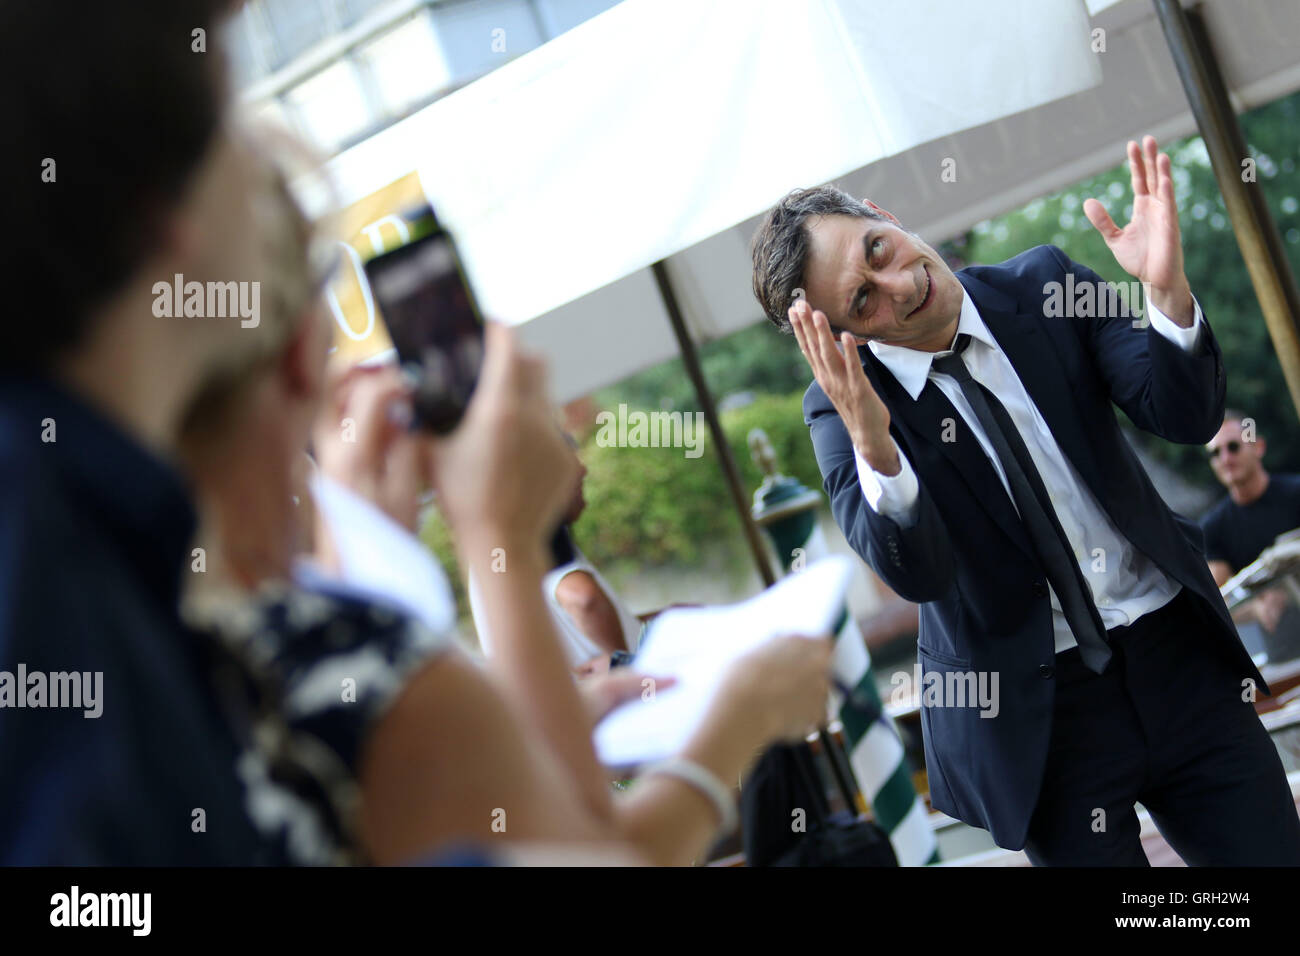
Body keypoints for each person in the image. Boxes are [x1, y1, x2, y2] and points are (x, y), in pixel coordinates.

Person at [179, 151, 836, 866]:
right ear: (306, 352)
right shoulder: (331, 648)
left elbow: (511, 824)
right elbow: (594, 856)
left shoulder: (181, 642)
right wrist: (740, 720)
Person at [748, 135, 1300, 865]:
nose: (900, 287)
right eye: (862, 301)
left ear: (882, 213)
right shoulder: (840, 410)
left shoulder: (1044, 283)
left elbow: (1182, 414)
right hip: (1039, 721)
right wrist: (878, 446)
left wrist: (1166, 296)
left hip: (1180, 661)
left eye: (878, 251)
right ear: (841, 337)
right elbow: (920, 575)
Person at [0, 0, 288, 864]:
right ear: (162, 210)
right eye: (233, 123)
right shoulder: (34, 532)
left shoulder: (83, 508)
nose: (259, 164)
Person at [469, 439, 642, 675]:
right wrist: (623, 663)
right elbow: (583, 598)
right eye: (568, 457)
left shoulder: (495, 545)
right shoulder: (534, 535)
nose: (583, 469)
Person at [1200, 411, 1300, 655]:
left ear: (1259, 447)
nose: (1225, 458)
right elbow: (1220, 602)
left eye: (1233, 447)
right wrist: (1255, 608)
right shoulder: (1213, 527)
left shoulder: (1297, 494)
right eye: (1215, 453)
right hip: (1286, 654)